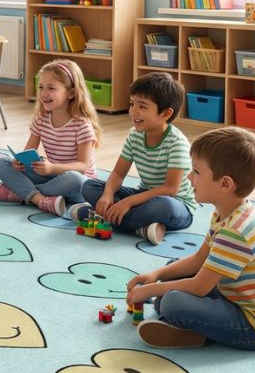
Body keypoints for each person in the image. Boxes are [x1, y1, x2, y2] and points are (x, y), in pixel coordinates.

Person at [129, 127, 255, 350]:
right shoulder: (226, 212)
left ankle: (191, 330)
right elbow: (199, 259)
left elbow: (200, 286)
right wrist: (156, 274)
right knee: (174, 267)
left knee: (173, 301)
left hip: (252, 325)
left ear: (225, 184)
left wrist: (149, 291)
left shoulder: (237, 231)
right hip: (229, 294)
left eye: (196, 172)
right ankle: (190, 330)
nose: (189, 177)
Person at [70, 72, 197, 244]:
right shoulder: (134, 135)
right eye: (132, 104)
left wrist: (127, 202)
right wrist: (108, 195)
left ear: (166, 113)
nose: (133, 111)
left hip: (176, 205)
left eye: (142, 107)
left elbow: (170, 190)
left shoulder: (177, 143)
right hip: (144, 196)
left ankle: (99, 216)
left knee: (162, 206)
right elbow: (118, 174)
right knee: (89, 186)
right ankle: (139, 226)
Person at [0, 58, 101, 216]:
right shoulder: (41, 119)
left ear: (71, 93)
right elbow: (27, 152)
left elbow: (82, 166)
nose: (44, 93)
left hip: (75, 182)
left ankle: (21, 193)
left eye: (51, 88)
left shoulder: (81, 124)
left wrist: (52, 168)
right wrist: (18, 163)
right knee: (0, 163)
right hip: (49, 176)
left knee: (77, 181)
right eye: (41, 87)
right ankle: (39, 198)